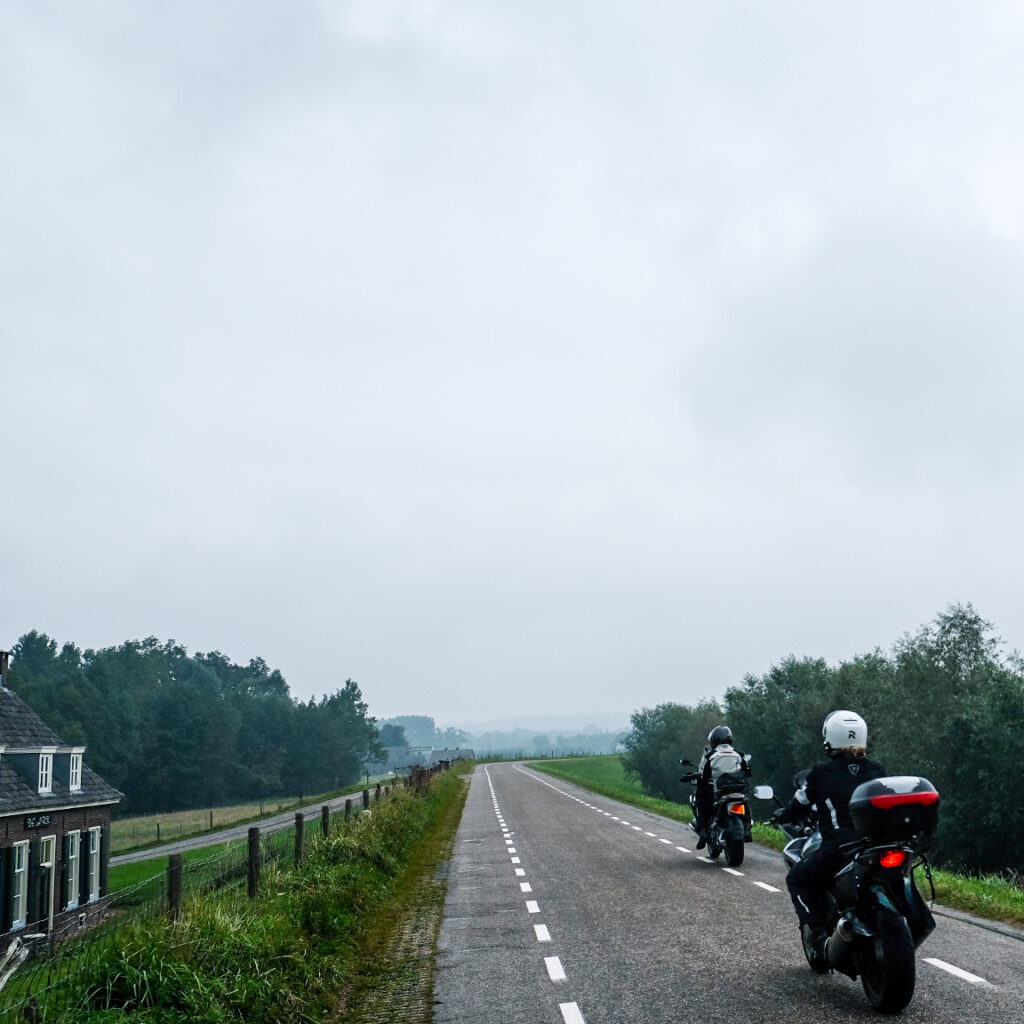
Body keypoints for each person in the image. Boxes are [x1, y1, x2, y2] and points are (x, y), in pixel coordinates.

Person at [784, 710, 886, 966]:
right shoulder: (876, 769)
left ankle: (817, 933)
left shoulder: (821, 773)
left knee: (797, 878)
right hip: (876, 845)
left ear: (830, 738)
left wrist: (782, 816)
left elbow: (800, 803)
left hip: (839, 848)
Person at [693, 725, 751, 849]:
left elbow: (703, 775)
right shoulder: (739, 754)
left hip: (719, 792)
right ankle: (748, 830)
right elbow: (748, 772)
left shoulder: (710, 755)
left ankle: (702, 831)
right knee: (746, 804)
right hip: (738, 791)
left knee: (701, 802)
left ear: (714, 740)